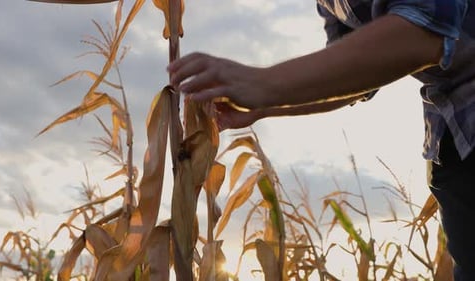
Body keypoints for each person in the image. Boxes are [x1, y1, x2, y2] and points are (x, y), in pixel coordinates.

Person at [167, 0, 475, 280]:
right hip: (451, 136)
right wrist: (262, 105)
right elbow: (355, 78)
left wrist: (261, 82)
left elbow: (425, 29)